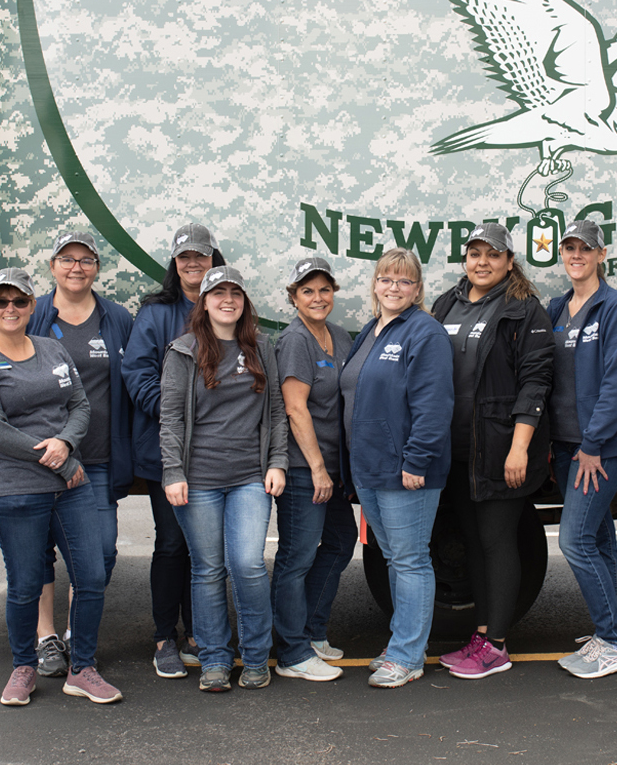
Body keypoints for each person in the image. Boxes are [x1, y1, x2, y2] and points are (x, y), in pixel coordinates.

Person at [0, 269, 121, 707]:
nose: (10, 309)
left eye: (19, 301)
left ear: (34, 305)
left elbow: (80, 404)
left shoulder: (52, 349)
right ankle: (23, 669)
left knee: (90, 576)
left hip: (70, 487)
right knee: (25, 584)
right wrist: (59, 458)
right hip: (14, 489)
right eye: (1, 302)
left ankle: (82, 668)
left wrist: (66, 441)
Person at [430, 223, 553, 680]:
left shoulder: (524, 310)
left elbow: (535, 382)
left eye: (493, 255)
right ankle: (481, 634)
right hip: (460, 450)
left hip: (503, 448)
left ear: (509, 261)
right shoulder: (448, 302)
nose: (482, 262)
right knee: (475, 544)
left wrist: (520, 447)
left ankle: (496, 644)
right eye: (475, 253)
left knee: (497, 541)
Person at [160, 266, 288, 692]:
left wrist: (277, 462)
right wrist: (173, 471)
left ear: (244, 301)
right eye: (219, 293)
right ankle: (215, 658)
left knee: (248, 565)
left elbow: (276, 412)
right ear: (205, 301)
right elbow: (171, 419)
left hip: (250, 476)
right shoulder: (183, 351)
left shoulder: (261, 347)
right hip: (198, 480)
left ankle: (254, 657)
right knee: (208, 568)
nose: (227, 299)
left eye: (235, 292)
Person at [340, 247, 454, 689]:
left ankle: (408, 655)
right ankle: (400, 642)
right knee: (393, 558)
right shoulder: (372, 330)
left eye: (404, 281)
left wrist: (417, 460)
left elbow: (434, 404)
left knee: (409, 561)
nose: (393, 287)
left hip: (405, 471)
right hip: (369, 469)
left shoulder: (425, 333)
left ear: (418, 289)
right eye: (386, 278)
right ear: (375, 284)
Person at [26, 230, 136, 680]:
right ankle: (45, 636)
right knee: (37, 552)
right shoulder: (31, 313)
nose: (77, 267)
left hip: (96, 459)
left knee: (101, 551)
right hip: (36, 457)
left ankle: (77, 630)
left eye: (86, 259)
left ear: (97, 267)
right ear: (52, 266)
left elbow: (133, 380)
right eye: (67, 259)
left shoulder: (117, 318)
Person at [122, 221, 226, 678]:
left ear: (213, 260)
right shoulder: (156, 313)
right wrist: (176, 419)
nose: (193, 264)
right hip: (168, 453)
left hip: (218, 454)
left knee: (206, 550)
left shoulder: (228, 308)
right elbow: (137, 375)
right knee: (171, 545)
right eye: (184, 257)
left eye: (201, 256)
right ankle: (166, 636)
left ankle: (200, 634)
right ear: (175, 264)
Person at [544, 220, 617, 679]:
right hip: (567, 446)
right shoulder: (557, 308)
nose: (576, 254)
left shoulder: (616, 309)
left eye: (586, 248)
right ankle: (610, 633)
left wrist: (592, 445)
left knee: (575, 540)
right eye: (569, 247)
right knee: (599, 538)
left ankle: (613, 642)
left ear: (602, 255)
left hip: (600, 449)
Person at [271, 255, 358, 682]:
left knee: (343, 541)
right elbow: (294, 408)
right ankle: (291, 651)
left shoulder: (339, 336)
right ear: (293, 297)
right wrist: (318, 469)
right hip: (305, 468)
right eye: (307, 290)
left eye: (324, 289)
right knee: (296, 557)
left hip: (335, 468)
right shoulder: (294, 341)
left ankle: (312, 631)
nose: (318, 297)